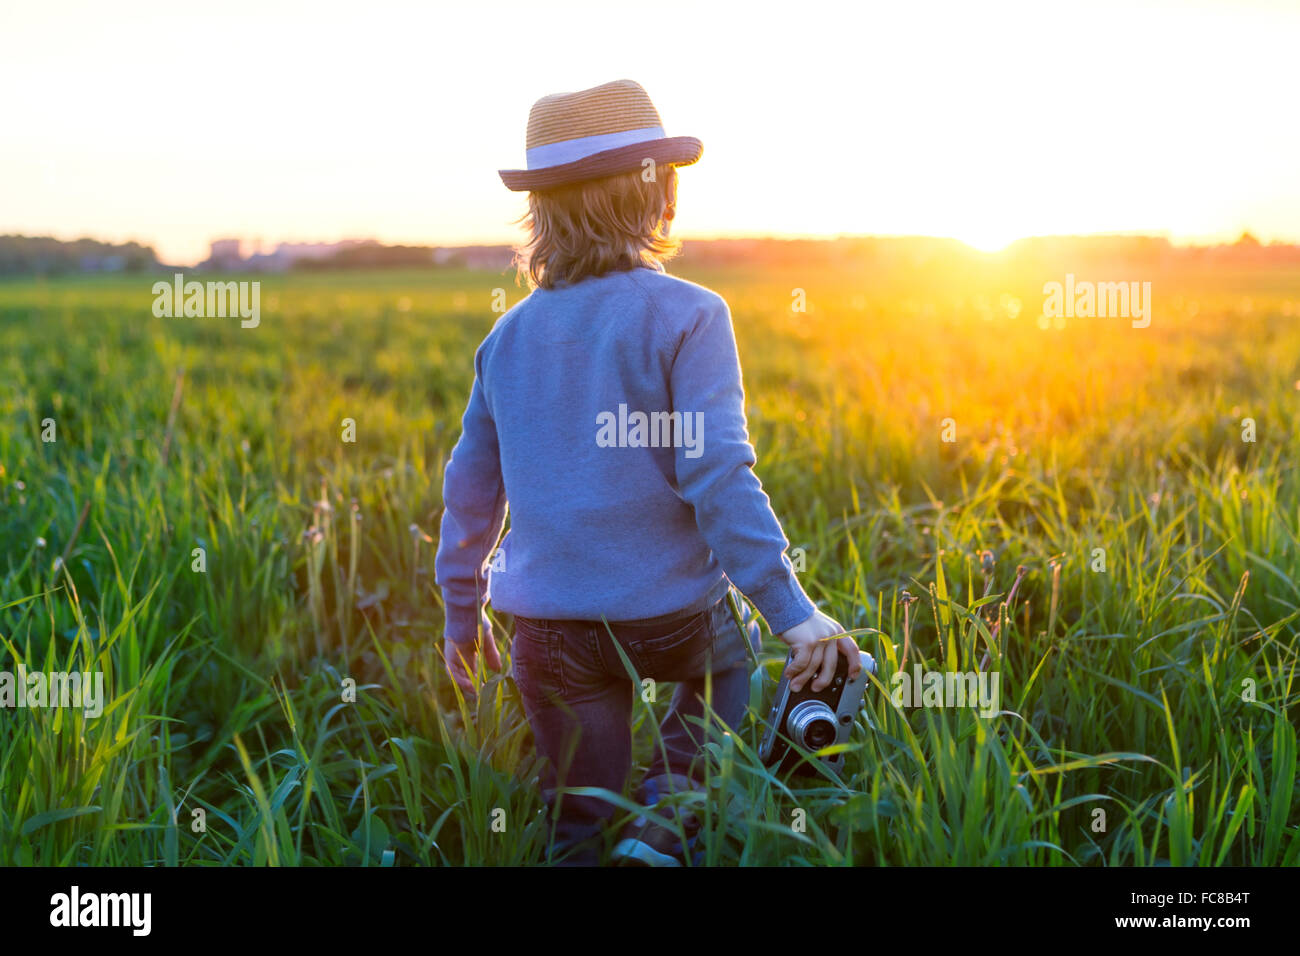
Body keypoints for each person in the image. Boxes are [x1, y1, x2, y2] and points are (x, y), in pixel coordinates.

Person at [435, 79, 860, 865]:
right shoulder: (691, 314)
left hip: (550, 629)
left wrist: (462, 613)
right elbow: (718, 473)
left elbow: (469, 492)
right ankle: (665, 828)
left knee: (575, 815)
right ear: (660, 196)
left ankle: (608, 843)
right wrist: (791, 612)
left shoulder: (507, 339)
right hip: (675, 617)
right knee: (723, 676)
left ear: (541, 214)